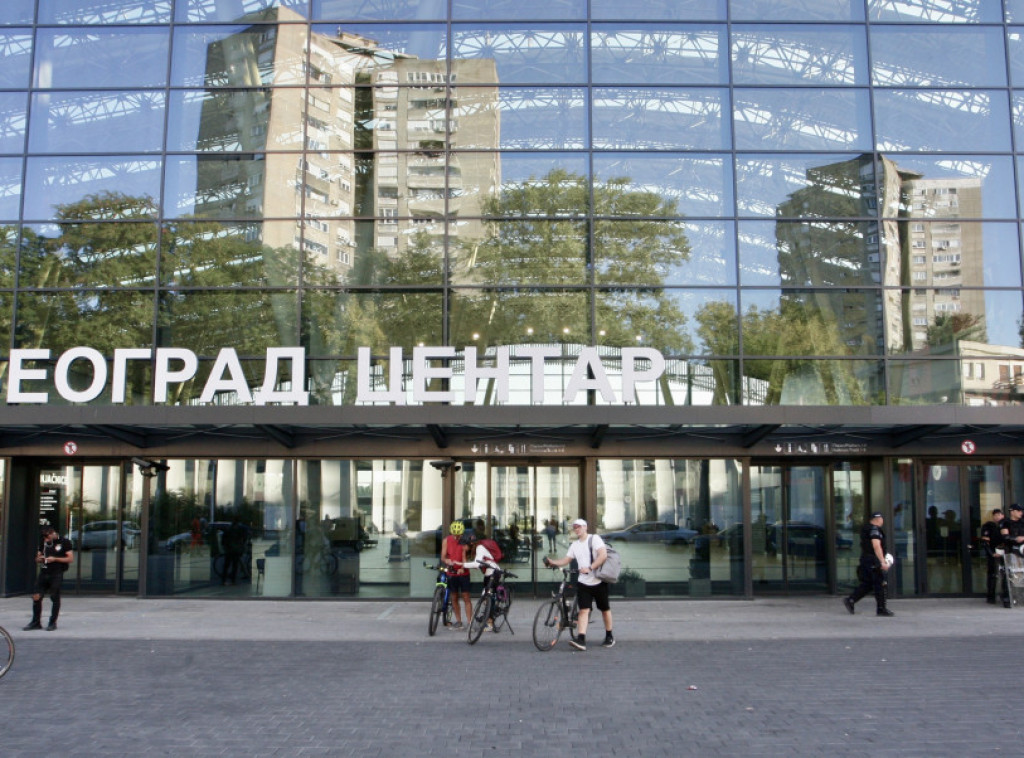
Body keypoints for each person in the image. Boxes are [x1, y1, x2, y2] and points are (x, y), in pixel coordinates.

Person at [544, 518, 614, 650]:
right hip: (584, 583)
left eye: (579, 527)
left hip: (599, 581)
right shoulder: (574, 545)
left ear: (585, 527)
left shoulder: (594, 539)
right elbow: (566, 559)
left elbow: (603, 555)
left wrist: (590, 567)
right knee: (583, 611)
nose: (576, 529)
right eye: (574, 527)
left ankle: (609, 635)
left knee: (605, 610)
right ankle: (581, 639)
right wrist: (552, 562)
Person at [24, 525, 75, 631]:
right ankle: (36, 621)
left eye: (47, 537)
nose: (46, 540)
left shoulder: (64, 542)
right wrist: (39, 558)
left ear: (52, 533)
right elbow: (37, 557)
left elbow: (70, 558)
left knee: (54, 597)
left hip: (56, 573)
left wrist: (55, 559)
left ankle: (52, 622)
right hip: (44, 572)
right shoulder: (43, 543)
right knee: (36, 596)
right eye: (45, 538)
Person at [843, 512, 893, 617]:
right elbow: (876, 545)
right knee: (880, 583)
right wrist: (882, 561)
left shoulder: (866, 528)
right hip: (873, 560)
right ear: (877, 519)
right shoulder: (874, 529)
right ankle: (881, 608)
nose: (882, 520)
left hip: (866, 560)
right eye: (881, 518)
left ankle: (851, 600)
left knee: (868, 584)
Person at [440, 521, 472, 630]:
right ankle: (459, 621)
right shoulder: (446, 541)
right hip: (452, 572)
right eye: (454, 535)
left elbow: (464, 556)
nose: (456, 537)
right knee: (454, 597)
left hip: (463, 573)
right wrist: (447, 560)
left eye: (458, 535)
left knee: (466, 597)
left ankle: (469, 622)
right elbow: (443, 557)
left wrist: (463, 568)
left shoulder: (464, 542)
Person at [999, 504, 1024, 607]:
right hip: (1010, 551)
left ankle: (1020, 597)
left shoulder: (1023, 522)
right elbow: (1005, 536)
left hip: (1022, 550)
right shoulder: (1005, 522)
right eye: (1018, 511)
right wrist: (1015, 539)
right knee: (1009, 574)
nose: (1020, 513)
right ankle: (1007, 598)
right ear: (1012, 511)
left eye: (1021, 511)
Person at [979, 508, 1005, 604]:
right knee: (992, 575)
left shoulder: (1006, 525)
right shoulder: (988, 526)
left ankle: (1005, 595)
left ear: (1003, 515)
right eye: (995, 515)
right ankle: (991, 596)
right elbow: (985, 542)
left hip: (1005, 553)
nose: (997, 517)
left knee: (1005, 574)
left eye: (999, 514)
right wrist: (992, 553)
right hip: (993, 552)